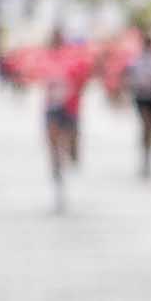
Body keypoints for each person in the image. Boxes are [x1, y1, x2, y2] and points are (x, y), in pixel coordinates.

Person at [40, 28, 94, 210]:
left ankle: (72, 155)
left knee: (71, 148)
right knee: (53, 145)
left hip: (71, 109)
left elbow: (85, 75)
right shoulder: (44, 57)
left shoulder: (73, 57)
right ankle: (57, 175)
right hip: (51, 109)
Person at [118, 26, 151, 177]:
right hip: (142, 97)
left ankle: (148, 154)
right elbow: (127, 75)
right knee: (146, 125)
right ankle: (145, 155)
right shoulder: (136, 59)